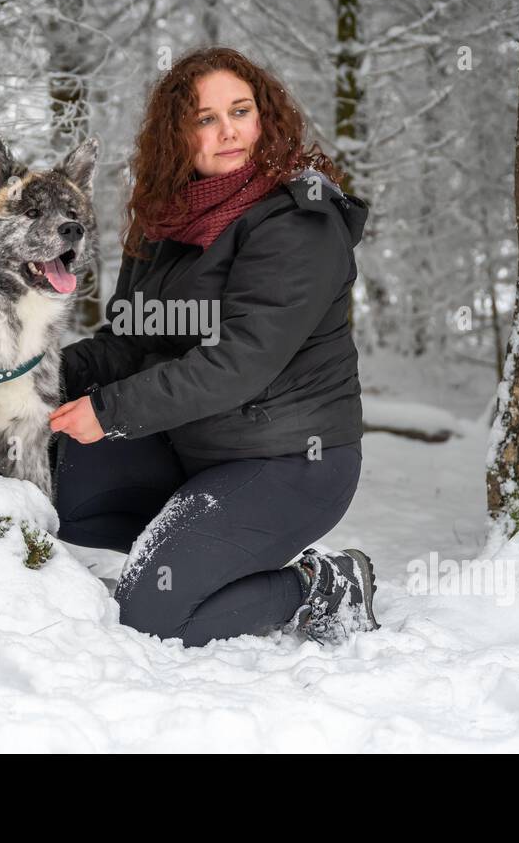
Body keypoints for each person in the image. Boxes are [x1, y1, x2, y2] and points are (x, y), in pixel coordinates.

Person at [48, 46, 378, 649]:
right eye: (205, 118)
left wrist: (110, 412)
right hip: (191, 448)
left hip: (290, 462)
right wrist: (34, 376)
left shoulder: (299, 221)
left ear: (265, 118)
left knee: (150, 615)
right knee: (44, 465)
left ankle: (321, 582)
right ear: (179, 134)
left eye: (241, 111)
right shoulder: (164, 221)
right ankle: (209, 550)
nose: (228, 131)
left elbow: (237, 364)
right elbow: (128, 342)